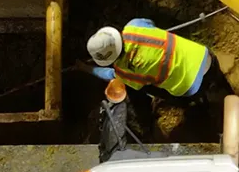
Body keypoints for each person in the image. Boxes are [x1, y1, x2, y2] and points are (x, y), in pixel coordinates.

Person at [81, 18, 232, 136]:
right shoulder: (135, 25)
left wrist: (84, 68)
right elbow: (150, 23)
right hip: (206, 57)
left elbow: (110, 75)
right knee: (217, 82)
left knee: (143, 87)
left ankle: (202, 111)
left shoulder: (125, 73)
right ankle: (226, 91)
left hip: (193, 88)